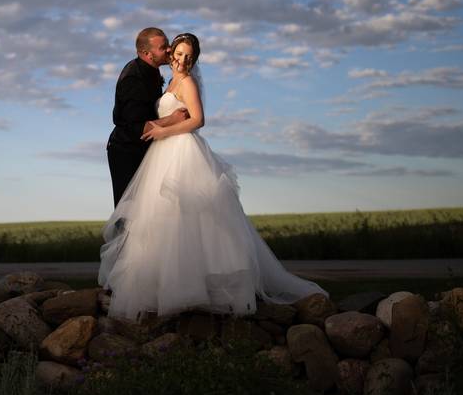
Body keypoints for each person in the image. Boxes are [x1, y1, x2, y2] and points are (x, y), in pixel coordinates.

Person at [98, 32, 328, 321]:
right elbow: (133, 121)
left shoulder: (186, 81)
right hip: (153, 151)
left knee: (190, 215)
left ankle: (199, 285)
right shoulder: (157, 79)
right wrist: (167, 123)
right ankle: (158, 282)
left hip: (179, 149)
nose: (180, 58)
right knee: (156, 218)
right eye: (176, 52)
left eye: (187, 56)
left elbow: (198, 120)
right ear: (160, 54)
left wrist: (164, 130)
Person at [106, 27, 188, 208]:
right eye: (163, 47)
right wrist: (172, 120)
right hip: (126, 151)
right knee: (128, 211)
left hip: (145, 149)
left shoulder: (151, 70)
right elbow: (136, 128)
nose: (169, 49)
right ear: (147, 54)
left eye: (168, 44)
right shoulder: (133, 78)